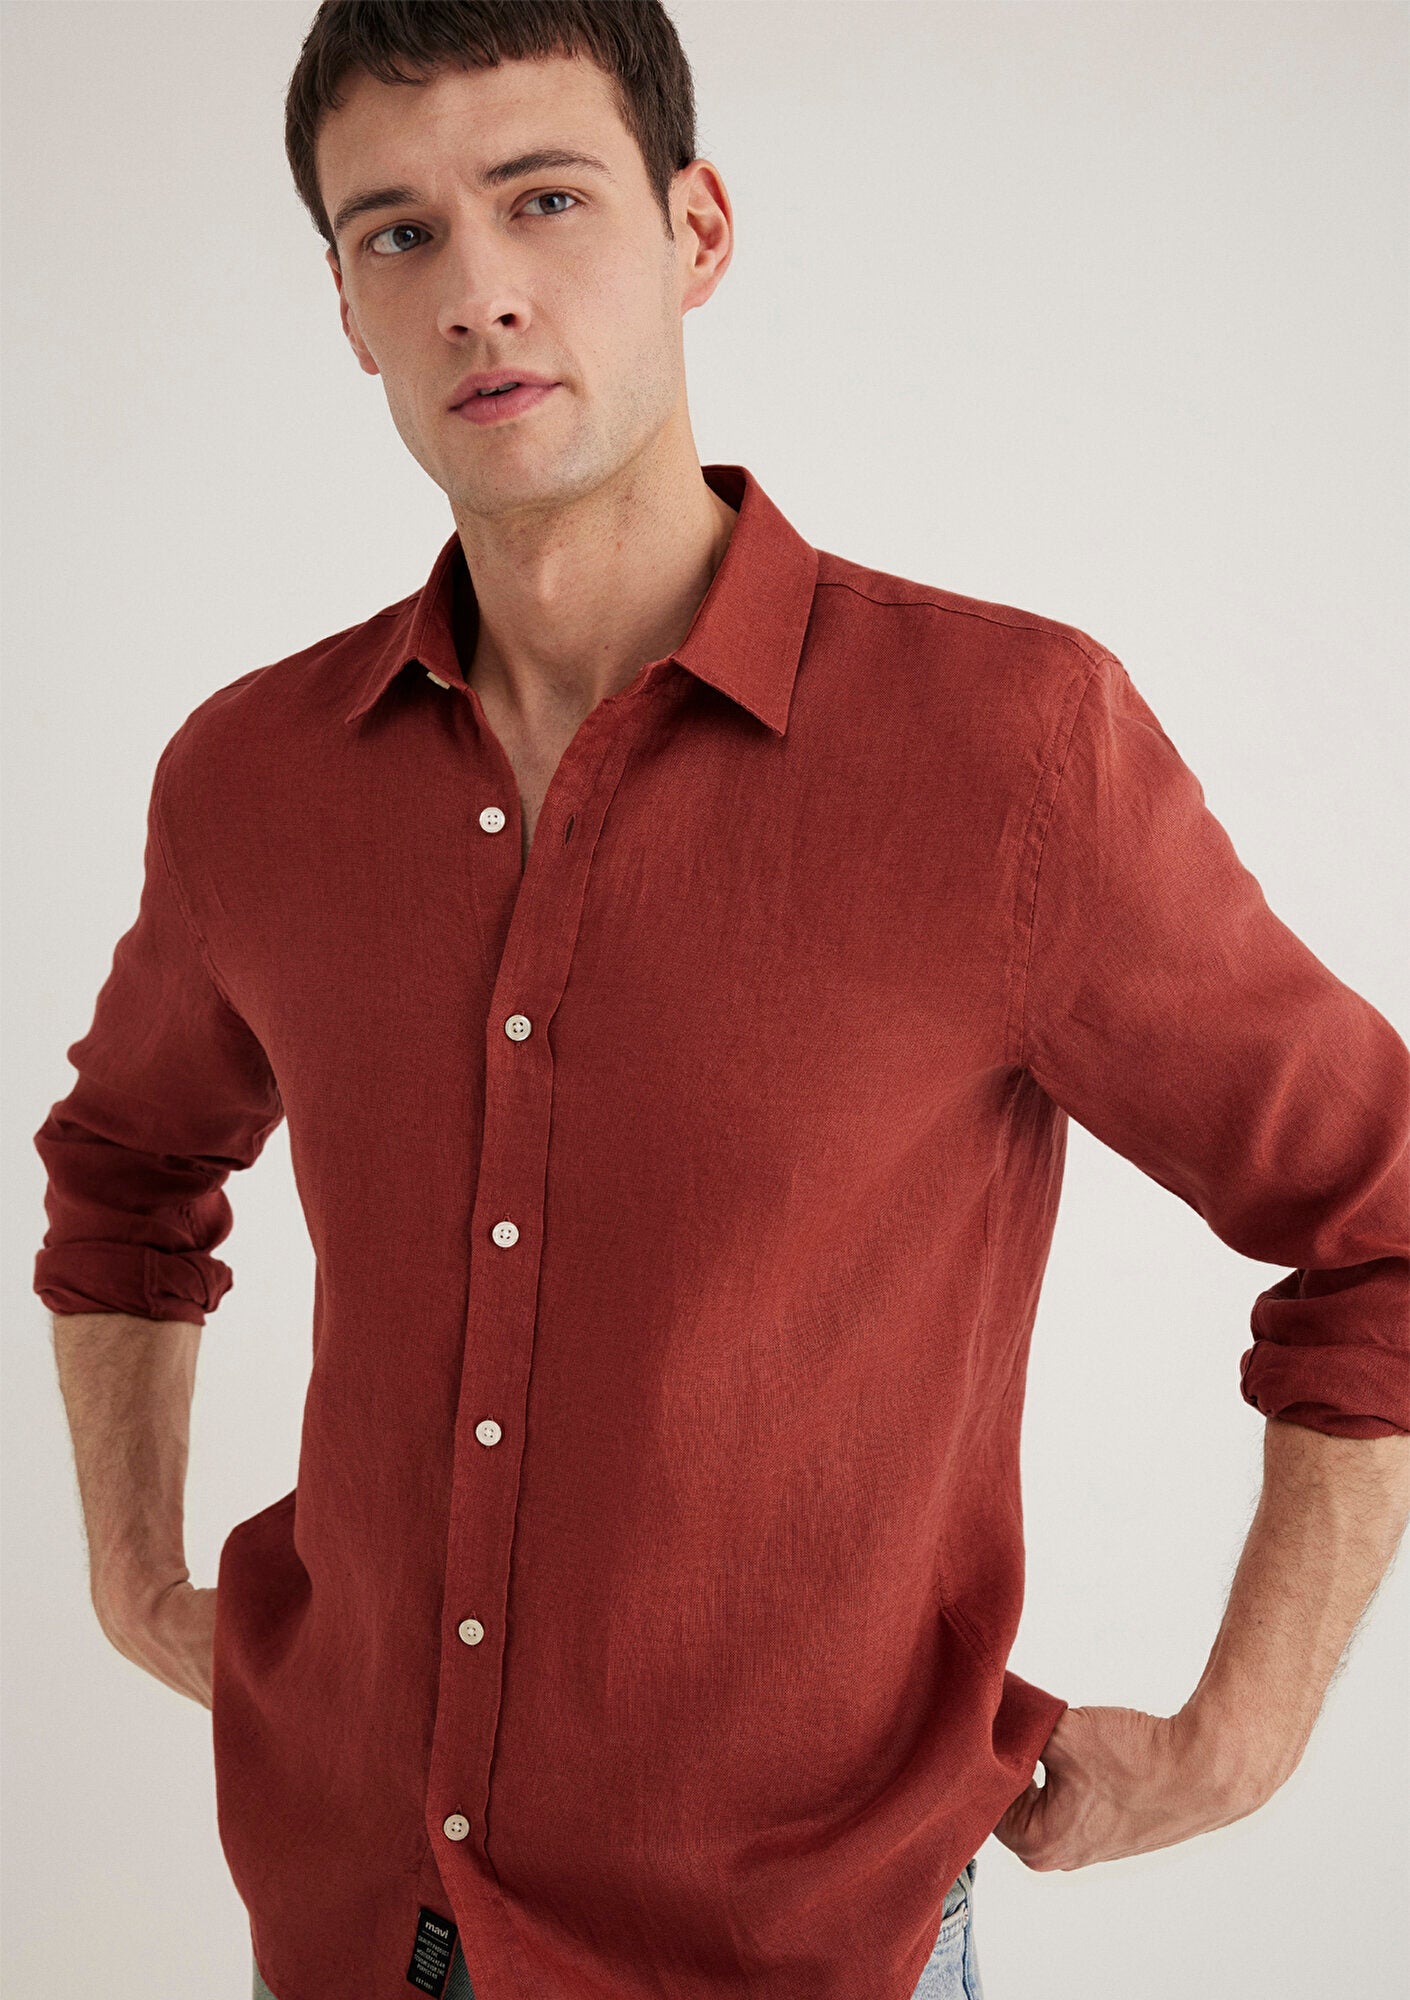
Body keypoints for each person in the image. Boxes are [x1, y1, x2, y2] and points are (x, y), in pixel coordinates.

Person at [31, 3, 1409, 1998]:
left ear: (696, 230)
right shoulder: (253, 778)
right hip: (340, 1923)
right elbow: (125, 1172)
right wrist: (130, 1572)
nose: (477, 291)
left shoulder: (1008, 747)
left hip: (794, 1953)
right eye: (397, 233)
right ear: (344, 308)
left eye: (544, 199)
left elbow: (1376, 1219)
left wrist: (1241, 1734)